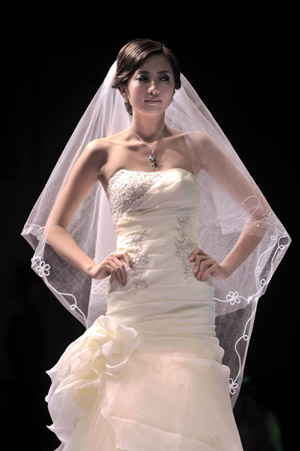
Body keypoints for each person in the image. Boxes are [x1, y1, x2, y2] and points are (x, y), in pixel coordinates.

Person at [22, 39, 290, 450]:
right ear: (123, 85)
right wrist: (92, 265)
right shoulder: (102, 151)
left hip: (187, 298)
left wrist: (225, 265)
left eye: (163, 78)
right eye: (143, 77)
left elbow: (261, 216)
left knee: (191, 401)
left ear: (175, 86)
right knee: (128, 404)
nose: (153, 87)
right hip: (134, 297)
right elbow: (53, 227)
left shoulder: (195, 145)